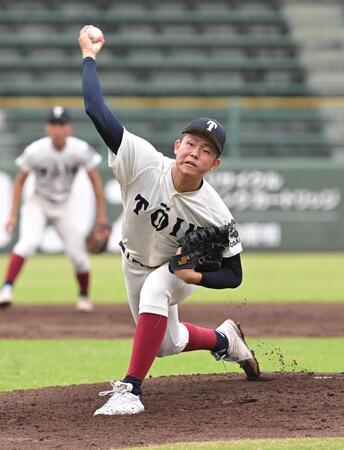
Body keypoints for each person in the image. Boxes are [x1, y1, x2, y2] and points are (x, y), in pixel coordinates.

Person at [79, 25, 260, 416]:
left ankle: (131, 390)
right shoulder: (142, 161)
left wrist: (196, 277)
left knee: (157, 292)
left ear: (215, 164)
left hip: (175, 270)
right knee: (166, 342)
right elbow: (96, 110)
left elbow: (234, 274)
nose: (195, 151)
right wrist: (88, 56)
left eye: (206, 149)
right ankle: (225, 340)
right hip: (132, 263)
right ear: (177, 145)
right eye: (191, 142)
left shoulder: (215, 213)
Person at [0, 106, 107, 312]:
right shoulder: (36, 150)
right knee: (28, 243)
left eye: (61, 125)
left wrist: (102, 216)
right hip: (38, 202)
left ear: (69, 128)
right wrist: (12, 214)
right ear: (47, 128)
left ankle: (83, 296)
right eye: (54, 125)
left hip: (64, 205)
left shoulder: (79, 149)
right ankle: (6, 289)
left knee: (79, 256)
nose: (57, 129)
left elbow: (95, 181)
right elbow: (19, 181)